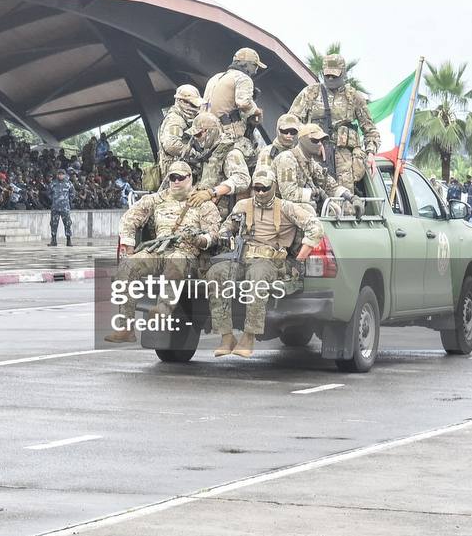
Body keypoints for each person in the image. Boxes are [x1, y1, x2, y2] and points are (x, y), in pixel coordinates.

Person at [204, 166, 323, 358]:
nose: (260, 192)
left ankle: (249, 336)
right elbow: (227, 226)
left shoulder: (286, 208)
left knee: (257, 276)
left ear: (273, 187)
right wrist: (225, 235)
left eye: (264, 188)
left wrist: (300, 257)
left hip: (271, 260)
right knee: (216, 273)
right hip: (242, 257)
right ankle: (226, 336)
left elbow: (315, 227)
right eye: (256, 188)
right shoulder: (243, 206)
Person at [107, 160, 222, 343]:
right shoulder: (157, 199)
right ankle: (125, 327)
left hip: (186, 254)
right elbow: (129, 218)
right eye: (172, 178)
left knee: (175, 262)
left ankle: (161, 313)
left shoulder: (203, 204)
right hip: (158, 251)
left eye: (180, 178)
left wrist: (199, 240)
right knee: (128, 265)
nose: (176, 181)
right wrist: (128, 244)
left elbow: (213, 235)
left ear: (190, 178)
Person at [288, 53, 380, 195]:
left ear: (343, 73)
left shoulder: (354, 97)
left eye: (334, 76)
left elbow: (370, 130)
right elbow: (291, 122)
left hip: (344, 162)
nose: (330, 79)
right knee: (315, 199)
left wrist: (371, 153)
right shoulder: (311, 93)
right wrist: (311, 141)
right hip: (315, 157)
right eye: (327, 75)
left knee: (345, 203)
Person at [272, 123, 351, 214]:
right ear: (304, 141)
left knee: (335, 209)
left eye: (322, 141)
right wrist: (315, 193)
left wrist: (350, 197)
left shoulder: (310, 162)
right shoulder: (287, 159)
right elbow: (289, 194)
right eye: (315, 140)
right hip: (277, 208)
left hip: (293, 207)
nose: (320, 144)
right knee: (309, 209)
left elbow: (328, 184)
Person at [184, 112, 250, 219]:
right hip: (205, 208)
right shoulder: (209, 151)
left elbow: (242, 178)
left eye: (198, 134)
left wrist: (212, 192)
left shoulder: (230, 152)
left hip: (220, 213)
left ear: (211, 132)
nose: (196, 138)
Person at [203, 47, 265, 144]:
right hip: (224, 132)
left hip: (203, 130)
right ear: (248, 64)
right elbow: (243, 103)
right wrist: (257, 111)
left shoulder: (215, 77)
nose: (255, 71)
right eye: (255, 66)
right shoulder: (243, 78)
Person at [48, 168, 74, 246]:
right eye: (59, 174)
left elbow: (72, 194)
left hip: (65, 207)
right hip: (55, 207)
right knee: (53, 223)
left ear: (65, 175)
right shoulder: (53, 183)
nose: (60, 175)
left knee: (67, 223)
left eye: (62, 174)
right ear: (57, 175)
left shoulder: (68, 183)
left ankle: (68, 240)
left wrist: (68, 201)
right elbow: (48, 193)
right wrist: (53, 200)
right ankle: (53, 240)